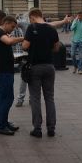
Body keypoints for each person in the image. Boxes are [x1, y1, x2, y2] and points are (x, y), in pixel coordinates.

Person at [22, 8, 59, 138]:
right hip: (49, 66)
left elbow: (25, 46)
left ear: (32, 17)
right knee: (49, 98)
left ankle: (37, 128)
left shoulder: (31, 28)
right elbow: (56, 47)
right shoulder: (51, 29)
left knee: (35, 98)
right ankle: (51, 128)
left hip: (35, 67)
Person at [0, 15, 24, 135]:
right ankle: (1, 126)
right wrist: (23, 38)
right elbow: (9, 41)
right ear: (6, 23)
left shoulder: (2, 33)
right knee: (8, 98)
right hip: (3, 71)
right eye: (12, 27)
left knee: (6, 97)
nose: (12, 29)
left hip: (5, 70)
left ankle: (4, 122)